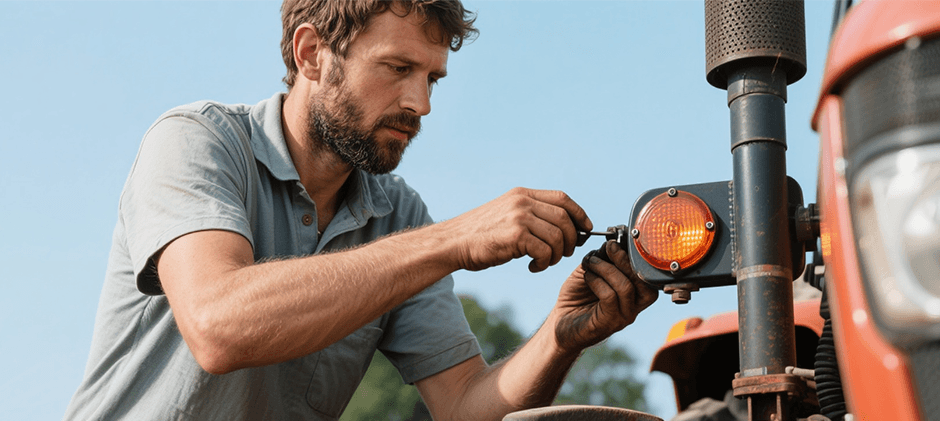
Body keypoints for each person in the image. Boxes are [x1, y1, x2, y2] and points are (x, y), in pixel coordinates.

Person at [64, 1, 659, 420]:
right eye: (399, 68)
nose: (421, 103)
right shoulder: (198, 142)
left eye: (433, 78)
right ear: (312, 53)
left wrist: (560, 338)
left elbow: (463, 409)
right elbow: (220, 327)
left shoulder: (397, 216)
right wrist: (453, 240)